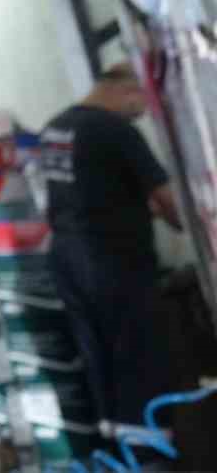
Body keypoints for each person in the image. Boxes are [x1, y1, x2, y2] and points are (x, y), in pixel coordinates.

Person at [40, 64, 184, 436]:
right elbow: (169, 202)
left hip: (68, 259)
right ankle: (148, 455)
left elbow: (90, 188)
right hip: (114, 260)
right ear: (127, 90)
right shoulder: (116, 130)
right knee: (139, 359)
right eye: (141, 105)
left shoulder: (57, 128)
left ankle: (113, 446)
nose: (141, 114)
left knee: (99, 359)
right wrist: (187, 221)